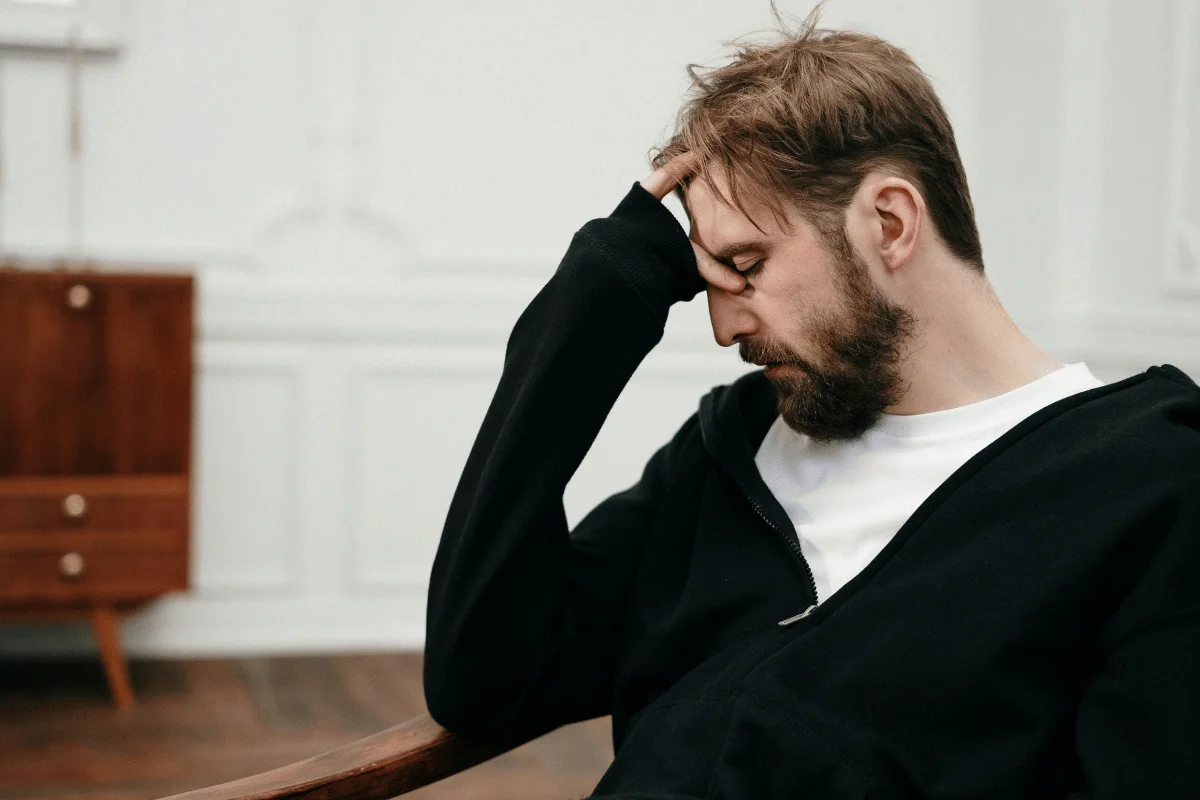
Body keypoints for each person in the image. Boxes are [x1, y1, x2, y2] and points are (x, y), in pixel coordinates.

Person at [422, 8, 1200, 798]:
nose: (724, 324)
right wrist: (592, 307)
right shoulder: (735, 446)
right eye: (705, 277)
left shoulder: (1148, 486)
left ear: (889, 223)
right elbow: (483, 679)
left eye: (746, 264)